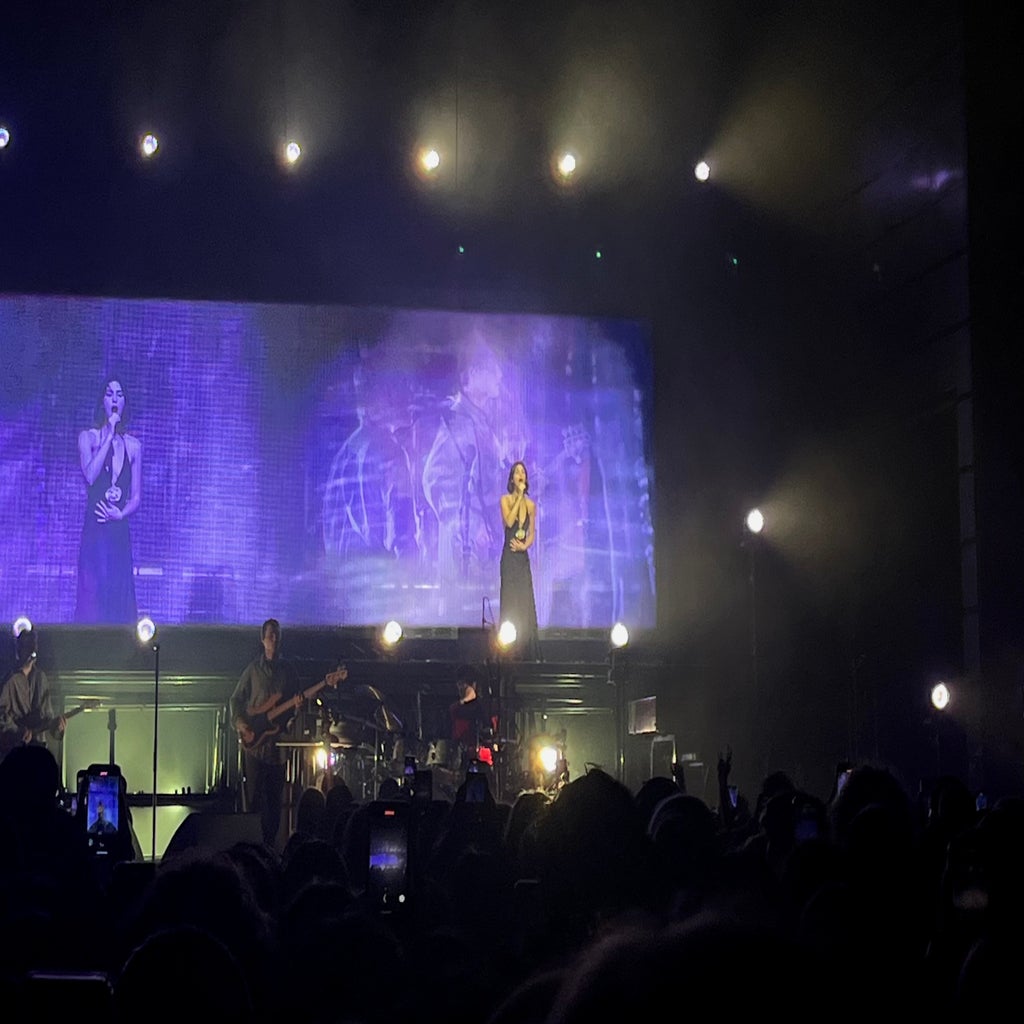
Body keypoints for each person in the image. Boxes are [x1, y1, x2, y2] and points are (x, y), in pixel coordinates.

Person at [230, 618, 302, 852]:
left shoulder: (289, 671)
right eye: (270, 634)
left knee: (274, 802)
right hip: (254, 747)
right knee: (252, 801)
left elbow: (294, 707)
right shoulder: (252, 670)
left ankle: (270, 850)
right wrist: (241, 724)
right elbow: (236, 699)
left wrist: (294, 714)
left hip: (277, 747)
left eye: (277, 634)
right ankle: (249, 851)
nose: (274, 638)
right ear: (263, 639)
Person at [75, 377, 141, 623]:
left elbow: (136, 496)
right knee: (93, 596)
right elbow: (91, 475)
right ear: (102, 401)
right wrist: (109, 434)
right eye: (110, 394)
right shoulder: (88, 438)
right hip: (95, 535)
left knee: (118, 598)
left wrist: (121, 513)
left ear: (124, 403)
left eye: (120, 394)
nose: (115, 399)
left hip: (117, 534)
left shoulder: (134, 446)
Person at [0, 628, 66, 762]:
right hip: (14, 753)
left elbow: (47, 717)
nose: (32, 650)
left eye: (33, 645)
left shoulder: (41, 678)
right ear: (19, 649)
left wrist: (57, 728)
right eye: (27, 646)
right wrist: (18, 731)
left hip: (38, 750)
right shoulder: (9, 680)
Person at [499, 460, 540, 660]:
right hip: (508, 558)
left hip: (522, 557)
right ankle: (508, 648)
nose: (520, 475)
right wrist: (519, 496)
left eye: (523, 472)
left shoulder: (532, 506)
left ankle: (527, 650)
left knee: (525, 601)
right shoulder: (505, 500)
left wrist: (525, 545)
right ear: (512, 478)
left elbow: (532, 533)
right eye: (517, 472)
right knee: (510, 600)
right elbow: (508, 521)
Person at [448, 663, 493, 770]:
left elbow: (487, 729)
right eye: (459, 684)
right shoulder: (455, 707)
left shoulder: (480, 707)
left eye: (463, 684)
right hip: (458, 757)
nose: (460, 688)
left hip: (477, 757)